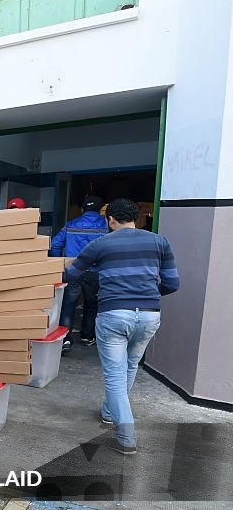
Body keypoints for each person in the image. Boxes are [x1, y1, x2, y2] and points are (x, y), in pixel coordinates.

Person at [63, 197, 179, 455]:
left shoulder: (101, 243)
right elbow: (172, 284)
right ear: (136, 219)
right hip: (149, 315)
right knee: (130, 365)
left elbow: (71, 275)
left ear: (110, 220)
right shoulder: (160, 242)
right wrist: (146, 292)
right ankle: (109, 411)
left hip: (114, 315)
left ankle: (126, 437)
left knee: (115, 377)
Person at [51, 195, 109, 351]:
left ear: (82, 209)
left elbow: (55, 245)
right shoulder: (106, 227)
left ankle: (65, 339)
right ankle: (87, 336)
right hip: (95, 272)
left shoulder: (71, 225)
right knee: (92, 305)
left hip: (73, 271)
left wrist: (61, 264)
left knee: (68, 305)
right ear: (100, 210)